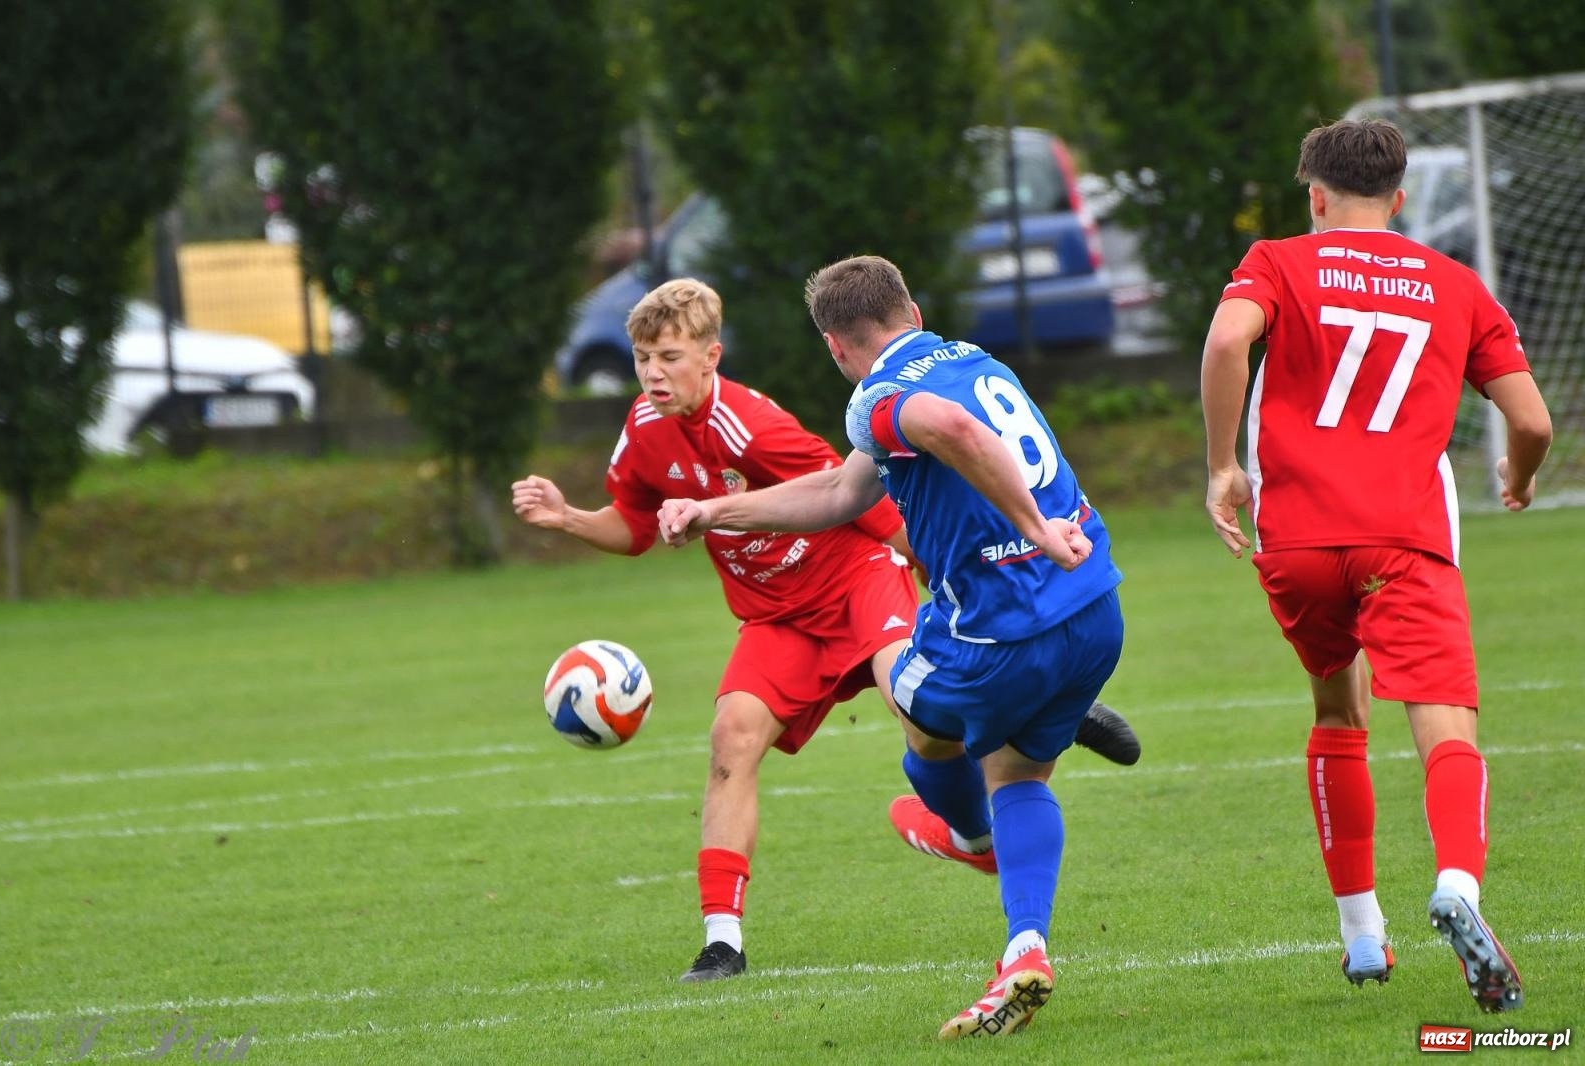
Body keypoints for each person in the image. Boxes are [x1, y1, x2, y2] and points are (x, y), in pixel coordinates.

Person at [514, 278, 1139, 984]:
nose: (654, 372)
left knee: (921, 718)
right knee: (731, 738)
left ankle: (1018, 705)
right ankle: (724, 943)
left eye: (669, 356)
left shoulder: (758, 424)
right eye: (641, 359)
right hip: (778, 614)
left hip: (854, 579)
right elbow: (631, 525)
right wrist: (570, 518)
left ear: (711, 357)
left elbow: (849, 498)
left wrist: (927, 559)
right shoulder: (645, 431)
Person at [659, 257, 1124, 1038]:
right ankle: (1025, 948)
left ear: (837, 348)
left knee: (917, 721)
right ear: (911, 308)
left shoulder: (875, 394)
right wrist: (717, 509)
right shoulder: (974, 359)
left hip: (1000, 633)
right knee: (1015, 772)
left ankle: (966, 835)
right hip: (1095, 611)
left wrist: (1034, 529)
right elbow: (842, 495)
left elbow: (951, 430)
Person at [1200, 118, 1551, 1013]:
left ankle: (1362, 936)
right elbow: (1534, 421)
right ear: (1399, 199)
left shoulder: (1279, 260)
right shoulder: (1456, 284)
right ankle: (1458, 890)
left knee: (1336, 706)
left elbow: (1225, 342)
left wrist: (1222, 469)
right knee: (1446, 724)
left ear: (1314, 196)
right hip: (1403, 537)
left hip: (1300, 543)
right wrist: (1518, 474)